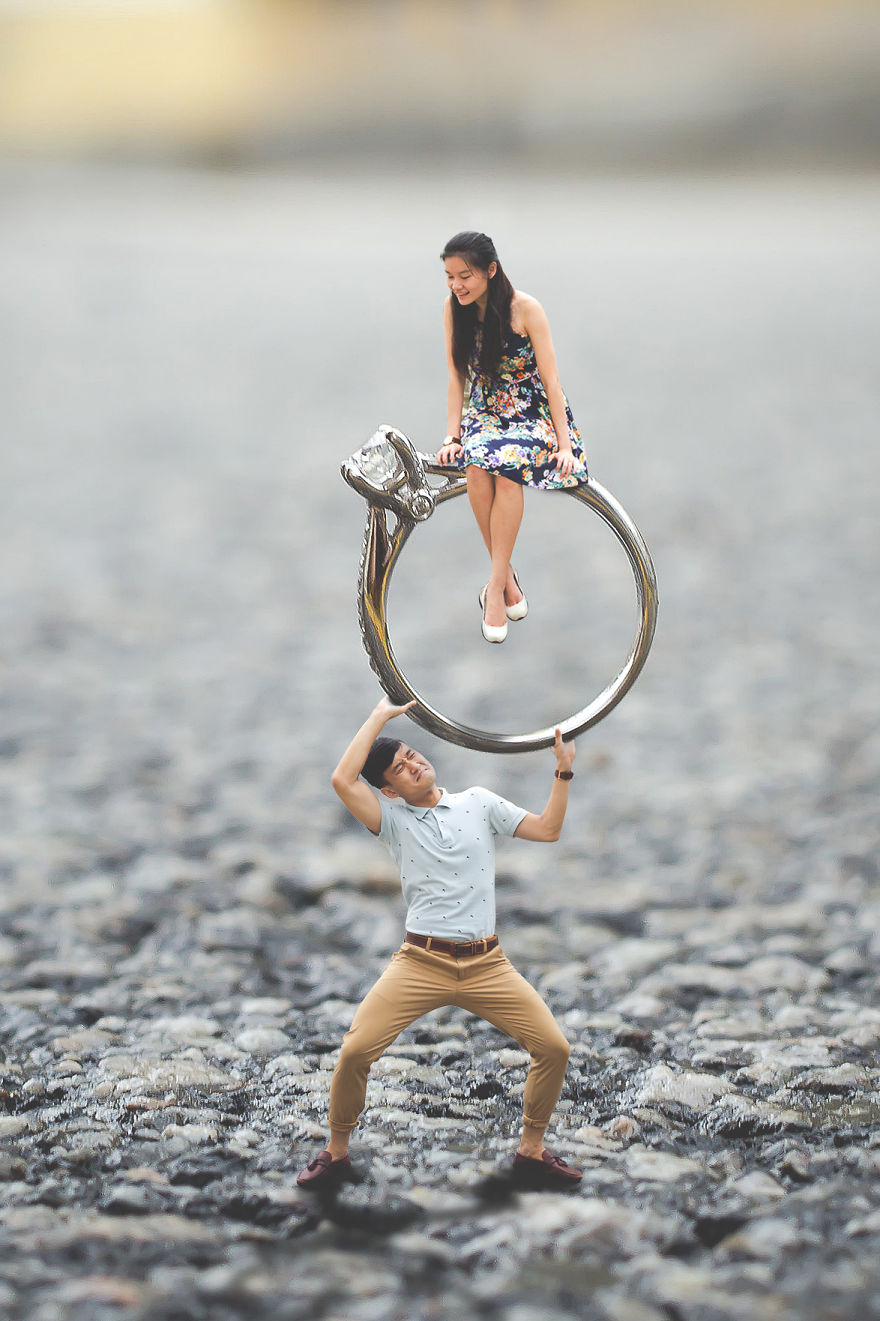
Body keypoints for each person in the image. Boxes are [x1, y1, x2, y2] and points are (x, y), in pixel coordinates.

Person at [296, 697, 583, 1193]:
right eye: (399, 769)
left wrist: (562, 773)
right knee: (355, 1051)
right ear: (388, 789)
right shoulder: (393, 821)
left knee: (553, 1048)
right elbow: (343, 781)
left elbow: (548, 829)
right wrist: (379, 717)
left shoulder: (478, 802)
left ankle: (531, 1152)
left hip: (487, 964)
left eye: (412, 755)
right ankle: (336, 1153)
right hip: (421, 962)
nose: (413, 764)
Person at [436, 231, 589, 644]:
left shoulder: (526, 309)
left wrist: (565, 446)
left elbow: (552, 381)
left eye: (464, 275)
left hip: (530, 412)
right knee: (476, 462)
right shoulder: (455, 310)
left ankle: (494, 588)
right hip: (485, 411)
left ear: (490, 270)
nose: (456, 285)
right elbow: (456, 377)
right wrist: (452, 435)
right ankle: (505, 581)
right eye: (449, 276)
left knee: (507, 470)